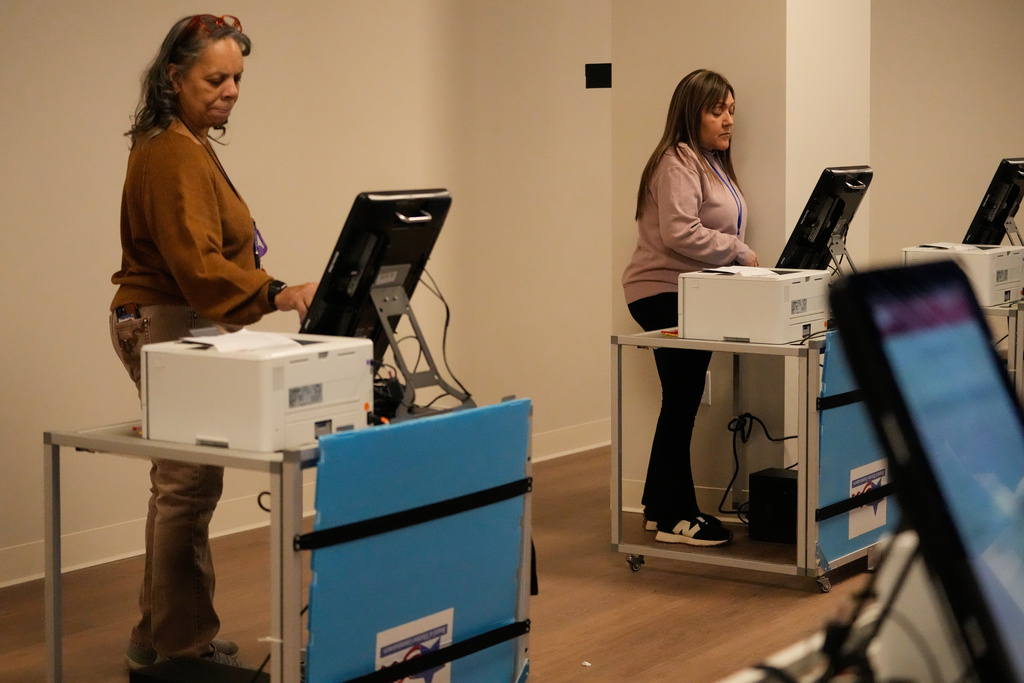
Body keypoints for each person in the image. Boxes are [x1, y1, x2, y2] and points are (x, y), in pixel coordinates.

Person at [109, 14, 317, 670]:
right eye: (215, 77)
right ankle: (180, 650)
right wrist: (276, 291)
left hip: (174, 318)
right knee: (187, 482)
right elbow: (196, 265)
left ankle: (162, 634)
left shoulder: (187, 143)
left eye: (237, 78)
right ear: (175, 77)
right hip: (164, 318)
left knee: (184, 482)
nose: (229, 90)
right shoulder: (171, 151)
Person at [621, 69, 758, 547]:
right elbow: (679, 232)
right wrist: (739, 251)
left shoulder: (709, 162)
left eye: (732, 111)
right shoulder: (678, 161)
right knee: (681, 400)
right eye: (716, 110)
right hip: (662, 293)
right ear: (691, 112)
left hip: (692, 294)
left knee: (679, 401)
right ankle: (677, 514)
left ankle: (660, 505)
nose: (727, 121)